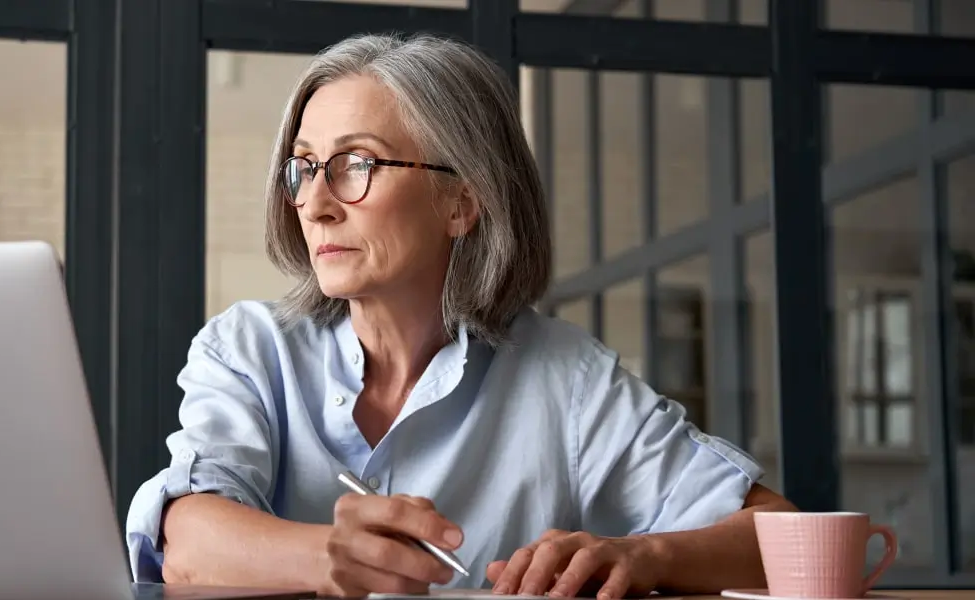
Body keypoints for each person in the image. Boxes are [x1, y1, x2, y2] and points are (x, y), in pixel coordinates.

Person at [124, 32, 796, 599]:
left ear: (461, 203)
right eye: (304, 168)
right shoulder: (249, 348)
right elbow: (184, 540)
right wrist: (330, 556)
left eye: (355, 163)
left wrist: (644, 558)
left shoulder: (567, 378)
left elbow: (788, 540)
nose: (316, 203)